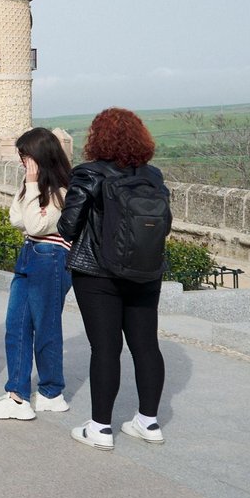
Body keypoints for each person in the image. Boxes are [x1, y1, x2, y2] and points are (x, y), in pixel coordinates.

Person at [59, 108, 170, 451]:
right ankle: (148, 422)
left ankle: (100, 428)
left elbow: (67, 225)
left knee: (106, 348)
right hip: (145, 272)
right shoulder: (152, 176)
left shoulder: (89, 174)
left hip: (97, 273)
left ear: (98, 138)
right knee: (146, 345)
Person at [0, 127, 73, 422]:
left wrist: (33, 186)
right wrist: (30, 187)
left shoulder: (62, 190)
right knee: (16, 326)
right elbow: (16, 218)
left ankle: (51, 392)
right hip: (31, 255)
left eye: (25, 155)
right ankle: (18, 395)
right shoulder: (35, 187)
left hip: (50, 258)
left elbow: (33, 226)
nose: (22, 161)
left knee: (45, 328)